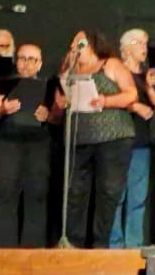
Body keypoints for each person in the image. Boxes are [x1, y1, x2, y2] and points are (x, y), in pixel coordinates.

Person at [54, 29, 139, 248]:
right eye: (72, 45)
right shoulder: (70, 69)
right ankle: (73, 243)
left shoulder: (110, 64)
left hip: (113, 136)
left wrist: (105, 101)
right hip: (80, 138)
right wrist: (62, 102)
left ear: (92, 44)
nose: (75, 48)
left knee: (108, 192)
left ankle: (101, 244)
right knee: (74, 191)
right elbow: (60, 98)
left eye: (79, 43)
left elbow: (131, 94)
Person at [0, 43, 52, 247]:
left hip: (38, 142)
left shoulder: (48, 88)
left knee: (37, 193)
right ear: (16, 61)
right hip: (8, 140)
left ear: (40, 64)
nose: (27, 63)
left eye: (32, 59)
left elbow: (59, 118)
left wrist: (49, 115)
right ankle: (2, 247)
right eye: (23, 58)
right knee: (5, 191)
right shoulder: (2, 84)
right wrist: (2, 110)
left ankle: (33, 248)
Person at [110, 29, 155, 248]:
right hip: (118, 139)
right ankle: (114, 245)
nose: (144, 46)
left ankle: (133, 246)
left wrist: (150, 88)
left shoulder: (148, 75)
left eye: (146, 42)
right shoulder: (116, 71)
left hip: (142, 143)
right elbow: (108, 98)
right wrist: (134, 106)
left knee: (137, 198)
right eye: (139, 42)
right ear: (126, 47)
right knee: (116, 196)